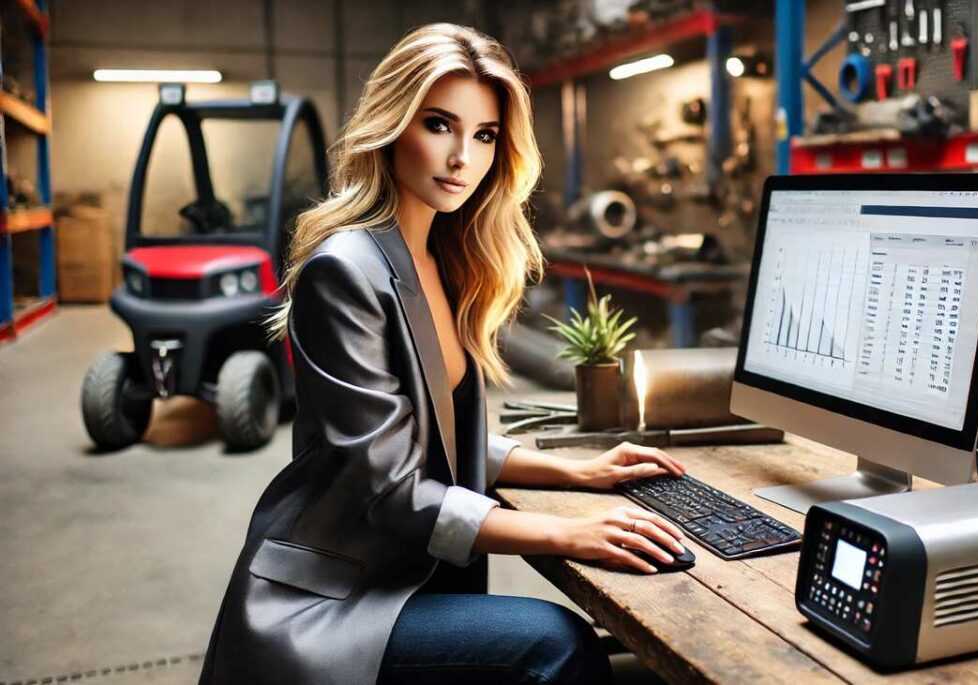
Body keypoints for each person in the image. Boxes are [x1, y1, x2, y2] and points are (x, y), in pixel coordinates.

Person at [199, 23, 688, 685]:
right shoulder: (344, 269)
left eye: (485, 135)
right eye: (439, 125)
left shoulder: (444, 257)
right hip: (329, 603)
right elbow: (394, 487)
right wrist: (567, 532)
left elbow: (438, 442)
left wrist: (578, 473)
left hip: (400, 575)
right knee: (555, 641)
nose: (463, 156)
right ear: (392, 123)